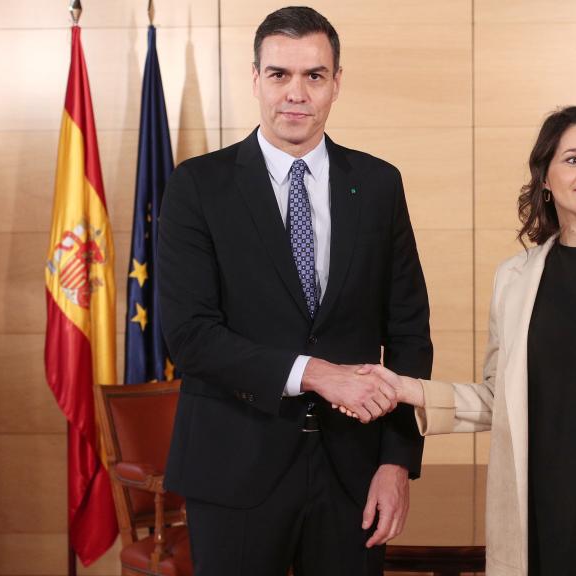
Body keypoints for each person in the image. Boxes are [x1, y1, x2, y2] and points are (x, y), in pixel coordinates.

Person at [363, 106, 576, 575]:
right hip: (530, 506)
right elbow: (498, 398)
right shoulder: (513, 279)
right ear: (544, 176)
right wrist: (407, 389)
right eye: (574, 159)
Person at [157, 6, 432, 575]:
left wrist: (397, 463)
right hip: (233, 465)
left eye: (315, 75)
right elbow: (190, 337)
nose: (296, 93)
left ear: (336, 83)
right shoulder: (198, 186)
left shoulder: (379, 184)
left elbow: (408, 333)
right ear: (255, 79)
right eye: (280, 74)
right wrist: (315, 372)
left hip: (353, 474)